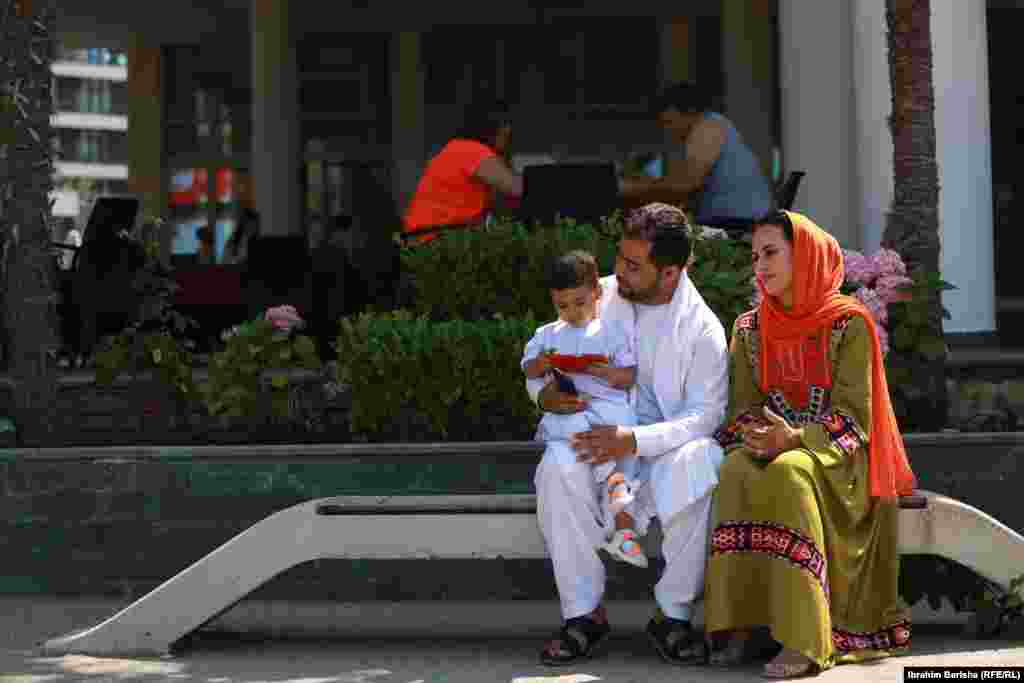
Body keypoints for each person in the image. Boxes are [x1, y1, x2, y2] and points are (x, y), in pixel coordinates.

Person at [703, 210, 916, 678]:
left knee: (789, 470)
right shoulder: (749, 328)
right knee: (736, 468)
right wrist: (758, 436)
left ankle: (804, 637)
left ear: (806, 255)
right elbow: (743, 408)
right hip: (775, 446)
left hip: (841, 459)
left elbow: (855, 421)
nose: (760, 265)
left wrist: (795, 438)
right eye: (755, 255)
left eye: (771, 252)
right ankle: (746, 625)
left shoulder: (848, 324)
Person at [529, 203, 729, 667]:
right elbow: (546, 356)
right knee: (558, 465)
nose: (618, 271)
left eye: (633, 265)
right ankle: (583, 615)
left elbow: (706, 415)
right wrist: (544, 397)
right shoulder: (595, 296)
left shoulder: (703, 330)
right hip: (594, 441)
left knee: (702, 458)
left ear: (670, 271)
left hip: (659, 450)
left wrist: (634, 441)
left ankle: (672, 615)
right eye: (619, 257)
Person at [522, 250, 647, 568]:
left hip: (608, 410)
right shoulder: (547, 335)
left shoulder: (611, 333)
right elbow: (528, 369)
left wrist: (608, 373)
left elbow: (629, 376)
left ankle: (621, 517)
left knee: (612, 427)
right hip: (571, 412)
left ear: (597, 293)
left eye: (580, 303)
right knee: (569, 423)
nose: (572, 312)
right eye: (562, 306)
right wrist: (544, 363)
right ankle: (615, 488)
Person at [618, 81, 774, 229]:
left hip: (739, 223)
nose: (668, 130)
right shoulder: (703, 132)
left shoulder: (708, 127)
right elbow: (677, 182)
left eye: (670, 122)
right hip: (731, 220)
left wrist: (632, 188)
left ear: (688, 112)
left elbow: (685, 185)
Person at [402, 100, 523, 245]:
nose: (508, 130)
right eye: (504, 124)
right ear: (490, 126)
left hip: (425, 238)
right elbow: (516, 188)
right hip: (435, 240)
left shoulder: (457, 147)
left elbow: (501, 204)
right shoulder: (472, 151)